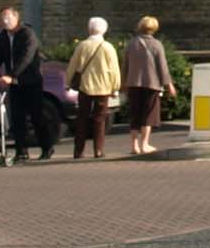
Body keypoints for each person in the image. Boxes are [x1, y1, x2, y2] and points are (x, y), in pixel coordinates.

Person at [0, 3, 58, 159]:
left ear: (16, 17)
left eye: (8, 17)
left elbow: (26, 58)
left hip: (30, 81)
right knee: (17, 118)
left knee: (36, 116)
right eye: (2, 18)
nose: (5, 21)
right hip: (14, 84)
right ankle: (21, 151)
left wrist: (12, 75)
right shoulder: (3, 36)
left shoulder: (27, 34)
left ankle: (47, 147)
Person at [65, 15, 121, 159]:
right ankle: (98, 150)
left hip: (85, 86)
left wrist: (67, 82)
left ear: (89, 29)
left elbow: (72, 66)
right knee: (100, 119)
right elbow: (114, 69)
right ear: (104, 30)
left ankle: (78, 151)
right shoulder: (108, 47)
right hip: (103, 87)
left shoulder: (82, 46)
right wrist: (115, 87)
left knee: (82, 118)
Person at [123, 15, 177, 157]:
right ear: (154, 28)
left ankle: (134, 144)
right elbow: (162, 67)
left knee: (135, 114)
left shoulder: (131, 43)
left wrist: (124, 82)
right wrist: (168, 84)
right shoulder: (156, 45)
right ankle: (144, 144)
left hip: (133, 83)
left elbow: (125, 65)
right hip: (151, 84)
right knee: (149, 115)